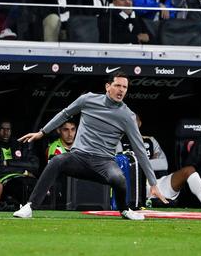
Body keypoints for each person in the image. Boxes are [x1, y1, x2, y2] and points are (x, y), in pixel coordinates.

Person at [13, 71, 167, 220]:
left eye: (124, 87)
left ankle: (124, 210)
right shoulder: (87, 99)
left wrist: (153, 183)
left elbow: (139, 149)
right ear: (108, 86)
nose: (121, 90)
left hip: (104, 163)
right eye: (117, 85)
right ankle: (30, 206)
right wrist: (42, 132)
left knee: (119, 178)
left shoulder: (128, 116)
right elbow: (65, 113)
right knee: (56, 161)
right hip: (79, 158)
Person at [119, 114, 201, 209]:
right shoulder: (119, 142)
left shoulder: (150, 140)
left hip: (158, 183)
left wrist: (137, 162)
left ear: (140, 123)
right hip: (135, 186)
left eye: (135, 121)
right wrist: (149, 161)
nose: (133, 124)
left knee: (188, 170)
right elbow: (121, 165)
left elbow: (163, 164)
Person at [0, 119, 39, 205]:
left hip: (23, 178)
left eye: (8, 129)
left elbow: (34, 165)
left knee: (36, 184)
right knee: (21, 186)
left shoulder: (19, 145)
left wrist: (8, 163)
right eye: (2, 129)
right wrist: (23, 171)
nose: (5, 132)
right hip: (3, 181)